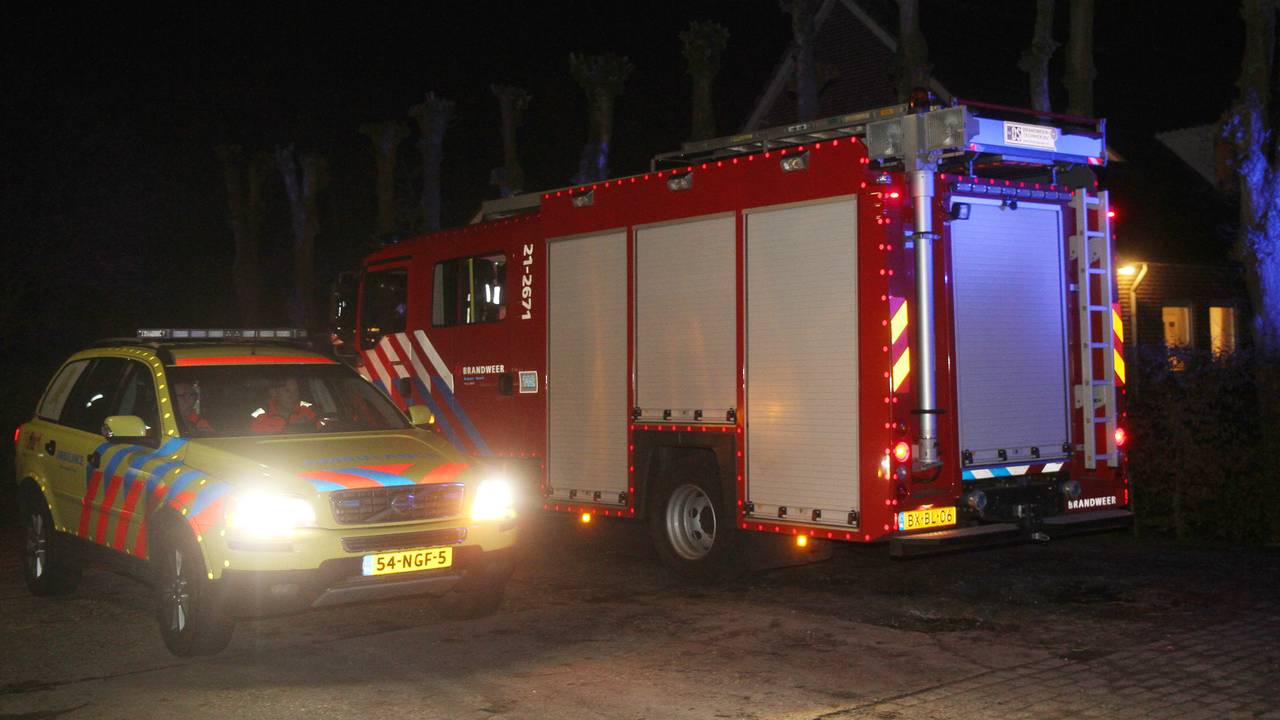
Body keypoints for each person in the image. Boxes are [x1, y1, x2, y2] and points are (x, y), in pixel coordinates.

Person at [250, 378, 318, 433]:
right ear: (273, 392)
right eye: (287, 391)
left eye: (296, 391)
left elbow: (324, 430)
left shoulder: (309, 411)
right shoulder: (260, 417)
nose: (293, 396)